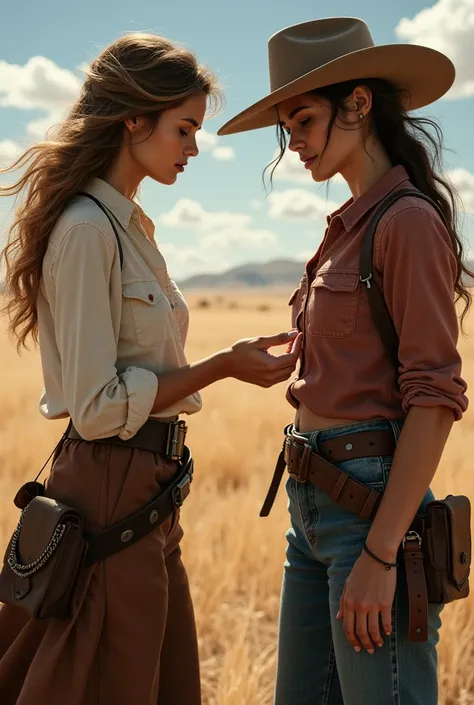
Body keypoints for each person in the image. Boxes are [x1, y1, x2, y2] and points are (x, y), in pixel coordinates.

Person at [0, 33, 302, 705]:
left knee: (161, 678)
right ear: (133, 120)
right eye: (184, 129)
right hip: (111, 482)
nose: (194, 148)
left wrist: (219, 361)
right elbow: (97, 405)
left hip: (149, 487)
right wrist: (220, 366)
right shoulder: (86, 228)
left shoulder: (133, 229)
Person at [218, 17, 470, 705]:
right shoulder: (348, 225)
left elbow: (436, 397)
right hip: (313, 505)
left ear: (358, 104)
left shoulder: (406, 222)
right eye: (286, 127)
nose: (292, 142)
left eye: (302, 120)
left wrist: (382, 551)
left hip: (368, 510)